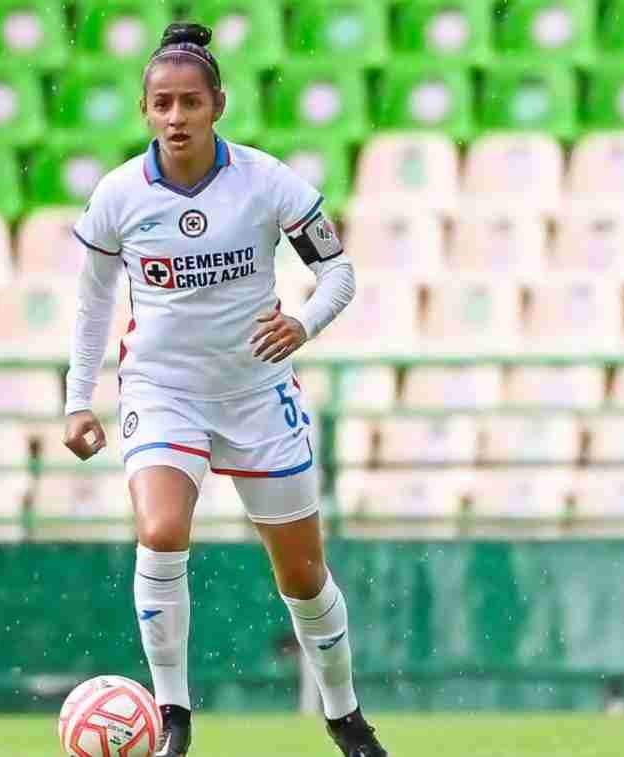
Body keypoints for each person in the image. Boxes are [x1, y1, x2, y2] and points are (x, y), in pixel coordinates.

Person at [63, 22, 388, 757]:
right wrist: (78, 399)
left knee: (303, 578)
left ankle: (344, 714)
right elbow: (90, 305)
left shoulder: (270, 184)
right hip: (163, 387)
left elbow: (338, 271)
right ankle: (173, 713)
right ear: (144, 111)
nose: (176, 118)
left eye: (189, 103)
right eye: (161, 105)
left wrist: (303, 323)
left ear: (217, 107)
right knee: (161, 531)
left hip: (255, 392)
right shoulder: (118, 197)